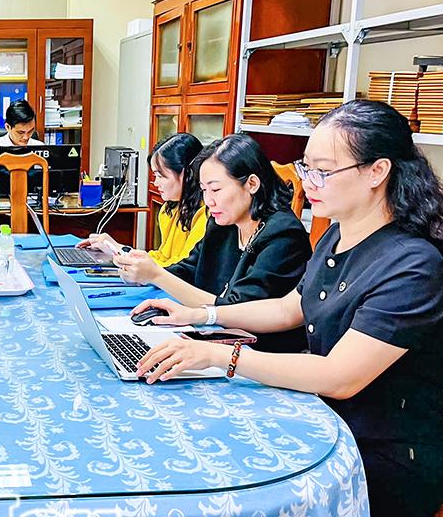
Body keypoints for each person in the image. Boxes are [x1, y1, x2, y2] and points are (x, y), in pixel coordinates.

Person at [131, 100, 443, 517]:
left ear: (377, 171)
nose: (309, 182)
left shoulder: (412, 266)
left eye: (323, 171)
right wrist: (202, 316)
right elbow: (290, 307)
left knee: (227, 475)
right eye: (307, 168)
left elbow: (339, 377)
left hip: (384, 458)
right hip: (326, 418)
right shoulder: (338, 235)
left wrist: (220, 356)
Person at [115, 133, 311, 352]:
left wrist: (157, 275)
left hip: (259, 353)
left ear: (252, 184)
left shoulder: (284, 235)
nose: (208, 201)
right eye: (204, 190)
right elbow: (189, 268)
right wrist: (143, 271)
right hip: (214, 338)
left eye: (216, 189)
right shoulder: (223, 223)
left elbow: (235, 310)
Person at [78, 132, 208, 266]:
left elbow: (180, 268)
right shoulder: (170, 210)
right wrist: (116, 249)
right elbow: (162, 257)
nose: (156, 183)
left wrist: (120, 251)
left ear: (187, 174)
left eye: (160, 176)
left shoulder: (205, 215)